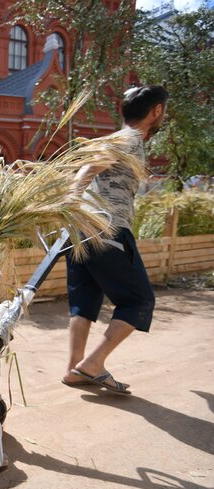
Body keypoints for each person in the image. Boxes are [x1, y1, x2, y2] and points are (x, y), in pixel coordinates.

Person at [62, 85, 169, 395]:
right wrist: (72, 196)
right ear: (156, 111)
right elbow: (89, 166)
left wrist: (72, 209)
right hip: (106, 230)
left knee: (85, 301)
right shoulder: (130, 138)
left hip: (81, 229)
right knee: (139, 300)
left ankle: (74, 369)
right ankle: (93, 364)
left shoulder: (119, 138)